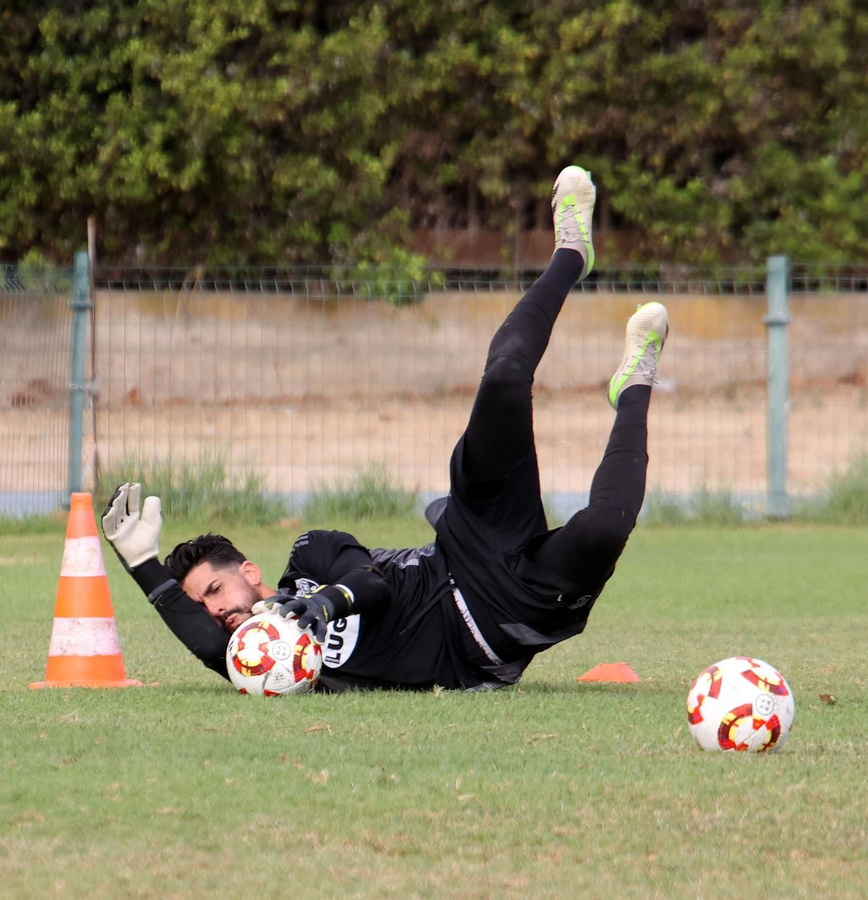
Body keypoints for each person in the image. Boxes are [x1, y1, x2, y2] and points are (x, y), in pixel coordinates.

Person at [102, 166, 668, 692]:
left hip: (467, 543)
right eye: (203, 607)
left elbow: (369, 583)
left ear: (249, 572)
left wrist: (326, 601)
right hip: (502, 620)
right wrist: (141, 565)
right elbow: (209, 649)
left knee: (503, 380)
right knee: (602, 529)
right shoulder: (274, 663)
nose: (215, 613)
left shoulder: (310, 556)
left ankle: (570, 253)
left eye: (213, 592)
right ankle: (637, 384)